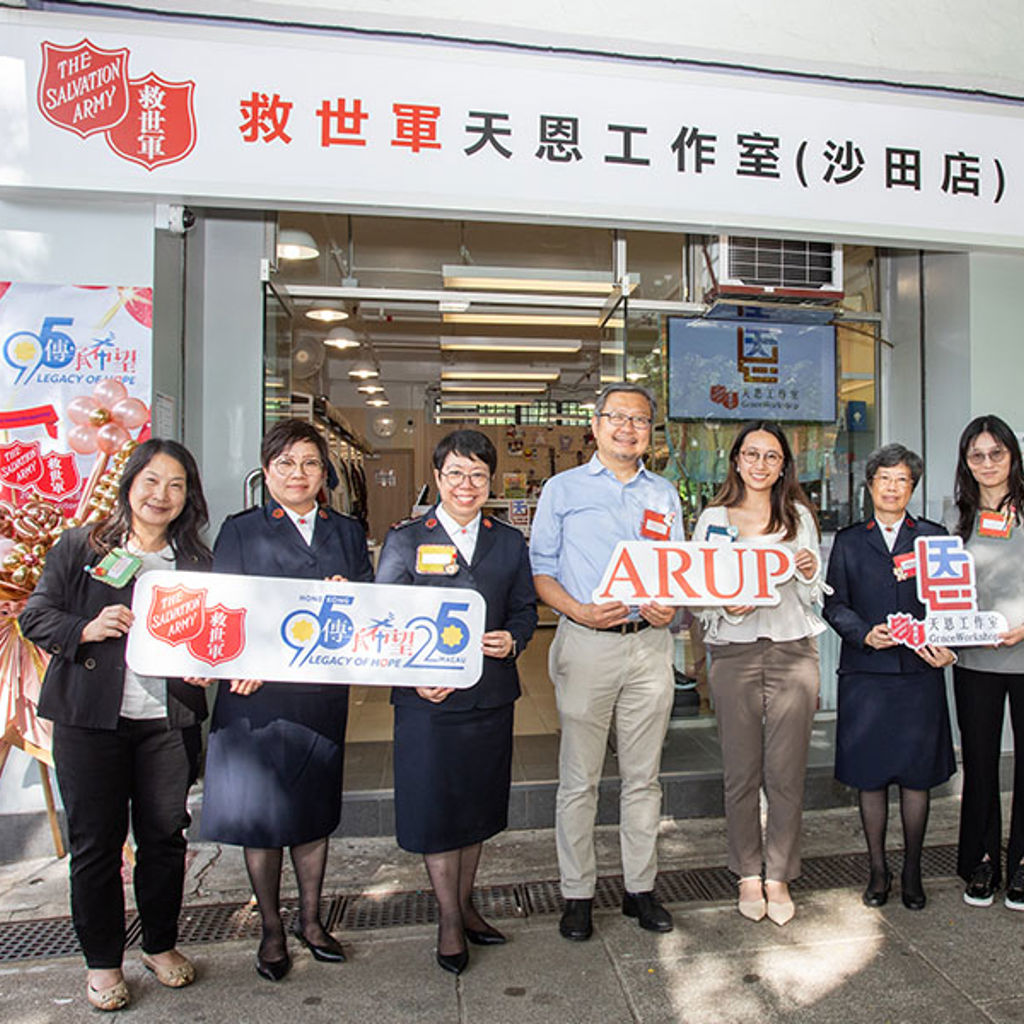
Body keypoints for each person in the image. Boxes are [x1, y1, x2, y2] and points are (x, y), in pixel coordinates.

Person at [20, 439, 212, 1012]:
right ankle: (103, 963)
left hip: (167, 721)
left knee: (163, 838)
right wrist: (86, 626)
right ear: (130, 484)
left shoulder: (197, 561)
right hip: (90, 721)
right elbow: (36, 615)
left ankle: (160, 944)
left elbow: (217, 632)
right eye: (152, 481)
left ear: (188, 496)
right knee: (96, 845)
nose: (162, 495)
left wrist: (208, 666)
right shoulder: (81, 546)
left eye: (176, 485)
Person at [199, 419, 372, 980]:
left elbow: (370, 604)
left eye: (310, 464)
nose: (298, 474)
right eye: (286, 464)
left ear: (326, 473)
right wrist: (235, 666)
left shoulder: (345, 530)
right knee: (264, 816)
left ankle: (313, 919)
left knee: (313, 811)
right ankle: (272, 929)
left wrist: (355, 598)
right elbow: (221, 609)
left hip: (320, 694)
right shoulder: (241, 529)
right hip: (258, 696)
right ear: (266, 471)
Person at [376, 429, 537, 976]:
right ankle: (448, 919)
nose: (466, 486)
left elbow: (524, 611)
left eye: (477, 476)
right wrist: (413, 673)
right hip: (428, 703)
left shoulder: (509, 542)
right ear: (437, 478)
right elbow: (385, 619)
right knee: (437, 808)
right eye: (455, 474)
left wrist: (513, 639)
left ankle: (466, 906)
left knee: (475, 806)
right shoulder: (406, 540)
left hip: (489, 697)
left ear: (490, 481)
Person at [530, 382, 682, 942]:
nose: (628, 428)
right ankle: (577, 894)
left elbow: (675, 569)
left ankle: (640, 889)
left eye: (640, 421)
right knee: (579, 779)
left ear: (650, 433)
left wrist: (672, 607)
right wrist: (580, 611)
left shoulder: (664, 494)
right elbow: (541, 569)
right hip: (587, 642)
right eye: (617, 418)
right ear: (595, 426)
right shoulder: (562, 489)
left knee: (644, 778)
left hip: (650, 646)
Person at [692, 421, 825, 926]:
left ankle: (780, 875)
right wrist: (729, 608)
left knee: (786, 772)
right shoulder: (713, 518)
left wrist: (811, 572)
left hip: (793, 651)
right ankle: (748, 872)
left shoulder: (799, 517)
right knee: (741, 770)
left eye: (772, 456)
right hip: (734, 653)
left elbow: (817, 592)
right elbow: (699, 592)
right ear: (737, 461)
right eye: (752, 454)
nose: (761, 464)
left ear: (784, 465)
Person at [823, 443, 955, 911]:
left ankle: (914, 869)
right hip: (866, 673)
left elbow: (951, 604)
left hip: (918, 674)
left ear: (912, 487)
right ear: (870, 485)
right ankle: (878, 870)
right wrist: (863, 634)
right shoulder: (849, 540)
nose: (893, 487)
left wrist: (948, 646)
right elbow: (833, 603)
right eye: (885, 479)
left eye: (902, 480)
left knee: (917, 779)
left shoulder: (935, 538)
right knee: (871, 779)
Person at [947, 414, 1024, 909]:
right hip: (975, 659)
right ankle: (982, 861)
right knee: (978, 763)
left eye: (996, 453)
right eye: (977, 455)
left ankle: (1021, 863)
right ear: (966, 463)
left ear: (1013, 456)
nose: (988, 463)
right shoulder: (958, 515)